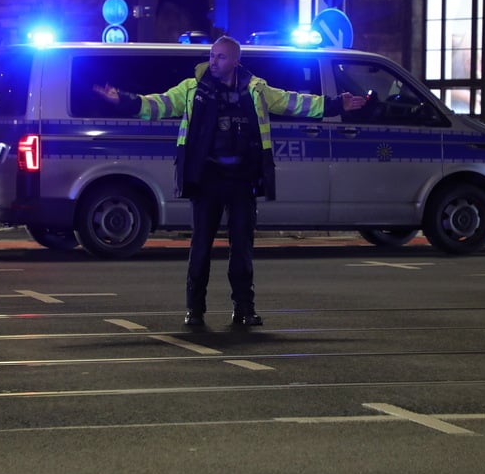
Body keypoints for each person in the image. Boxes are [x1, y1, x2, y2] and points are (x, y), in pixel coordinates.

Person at [94, 36, 364, 327]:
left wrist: (337, 104)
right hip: (206, 179)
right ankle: (195, 311)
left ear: (235, 60)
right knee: (201, 247)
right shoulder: (192, 89)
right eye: (212, 55)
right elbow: (158, 104)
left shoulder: (256, 89)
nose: (213, 61)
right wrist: (123, 100)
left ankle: (244, 309)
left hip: (242, 179)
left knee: (242, 248)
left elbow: (293, 102)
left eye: (220, 57)